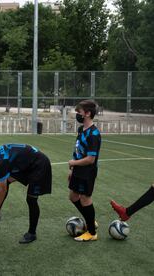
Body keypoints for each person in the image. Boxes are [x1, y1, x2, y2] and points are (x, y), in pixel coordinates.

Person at [0, 143, 52, 244]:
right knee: (5, 182)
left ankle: (32, 233)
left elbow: (3, 189)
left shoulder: (0, 162)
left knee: (31, 199)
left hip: (39, 165)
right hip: (28, 164)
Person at [68, 100, 101, 242]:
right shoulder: (81, 130)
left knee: (85, 198)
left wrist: (73, 163)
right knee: (73, 197)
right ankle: (90, 220)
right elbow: (78, 150)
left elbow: (90, 159)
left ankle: (92, 233)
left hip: (87, 171)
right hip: (77, 170)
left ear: (87, 114)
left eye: (79, 112)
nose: (77, 115)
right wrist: (73, 169)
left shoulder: (94, 134)